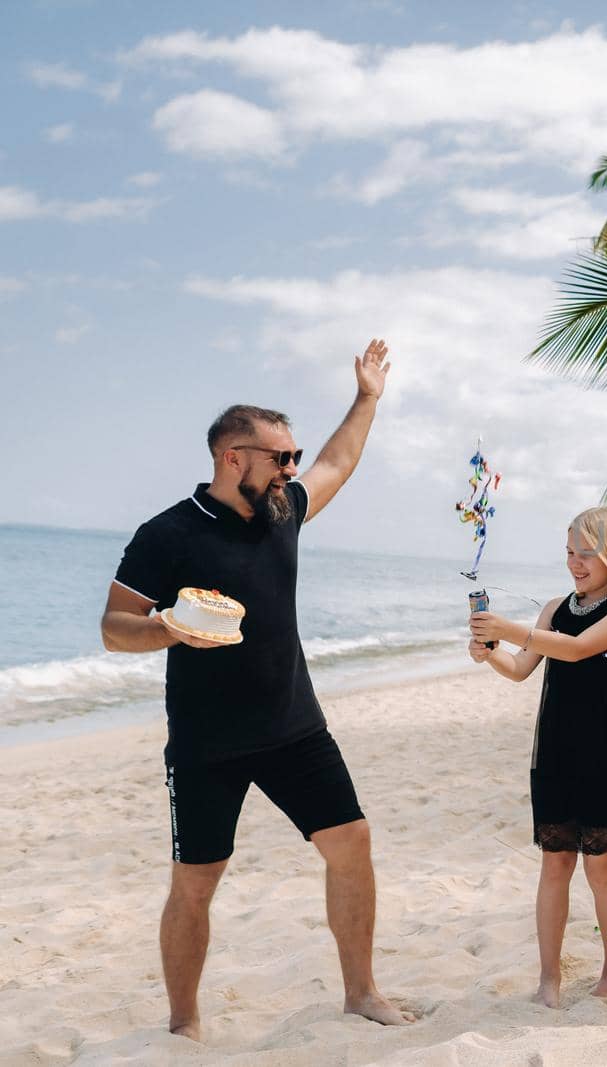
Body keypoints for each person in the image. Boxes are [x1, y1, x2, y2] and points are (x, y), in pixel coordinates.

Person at [99, 339, 411, 1041]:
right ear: (232, 456)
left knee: (352, 843)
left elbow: (339, 462)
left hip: (295, 725)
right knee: (196, 883)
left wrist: (366, 398)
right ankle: (184, 1025)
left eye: (293, 456)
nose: (293, 468)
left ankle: (360, 991)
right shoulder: (168, 533)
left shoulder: (284, 512)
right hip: (207, 743)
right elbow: (116, 625)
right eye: (281, 457)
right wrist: (172, 630)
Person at [467, 506, 607, 1008]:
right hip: (557, 748)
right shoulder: (554, 607)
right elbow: (521, 669)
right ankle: (548, 979)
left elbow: (575, 650)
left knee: (600, 868)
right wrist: (491, 654)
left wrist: (507, 628)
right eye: (570, 552)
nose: (576, 563)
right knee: (555, 864)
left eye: (587, 553)